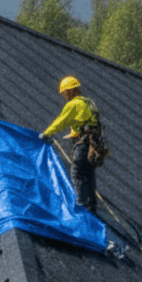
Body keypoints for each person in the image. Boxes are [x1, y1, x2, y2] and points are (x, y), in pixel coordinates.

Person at [39, 75, 108, 213]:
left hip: (84, 144)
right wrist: (73, 134)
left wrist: (46, 134)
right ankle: (91, 205)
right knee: (89, 173)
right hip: (94, 144)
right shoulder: (88, 103)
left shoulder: (74, 104)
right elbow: (83, 123)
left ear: (70, 90)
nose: (64, 96)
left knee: (77, 172)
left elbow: (62, 121)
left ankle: (81, 203)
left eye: (64, 93)